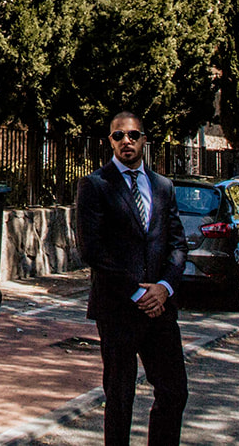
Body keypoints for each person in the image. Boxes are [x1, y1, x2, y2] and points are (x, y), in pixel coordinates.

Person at [75, 112, 188, 446]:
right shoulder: (95, 185)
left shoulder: (163, 186)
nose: (127, 141)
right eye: (119, 135)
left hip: (161, 310)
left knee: (174, 392)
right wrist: (136, 293)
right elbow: (92, 250)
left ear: (144, 140)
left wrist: (164, 288)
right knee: (120, 399)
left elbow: (178, 245)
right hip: (118, 309)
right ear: (110, 141)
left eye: (134, 135)